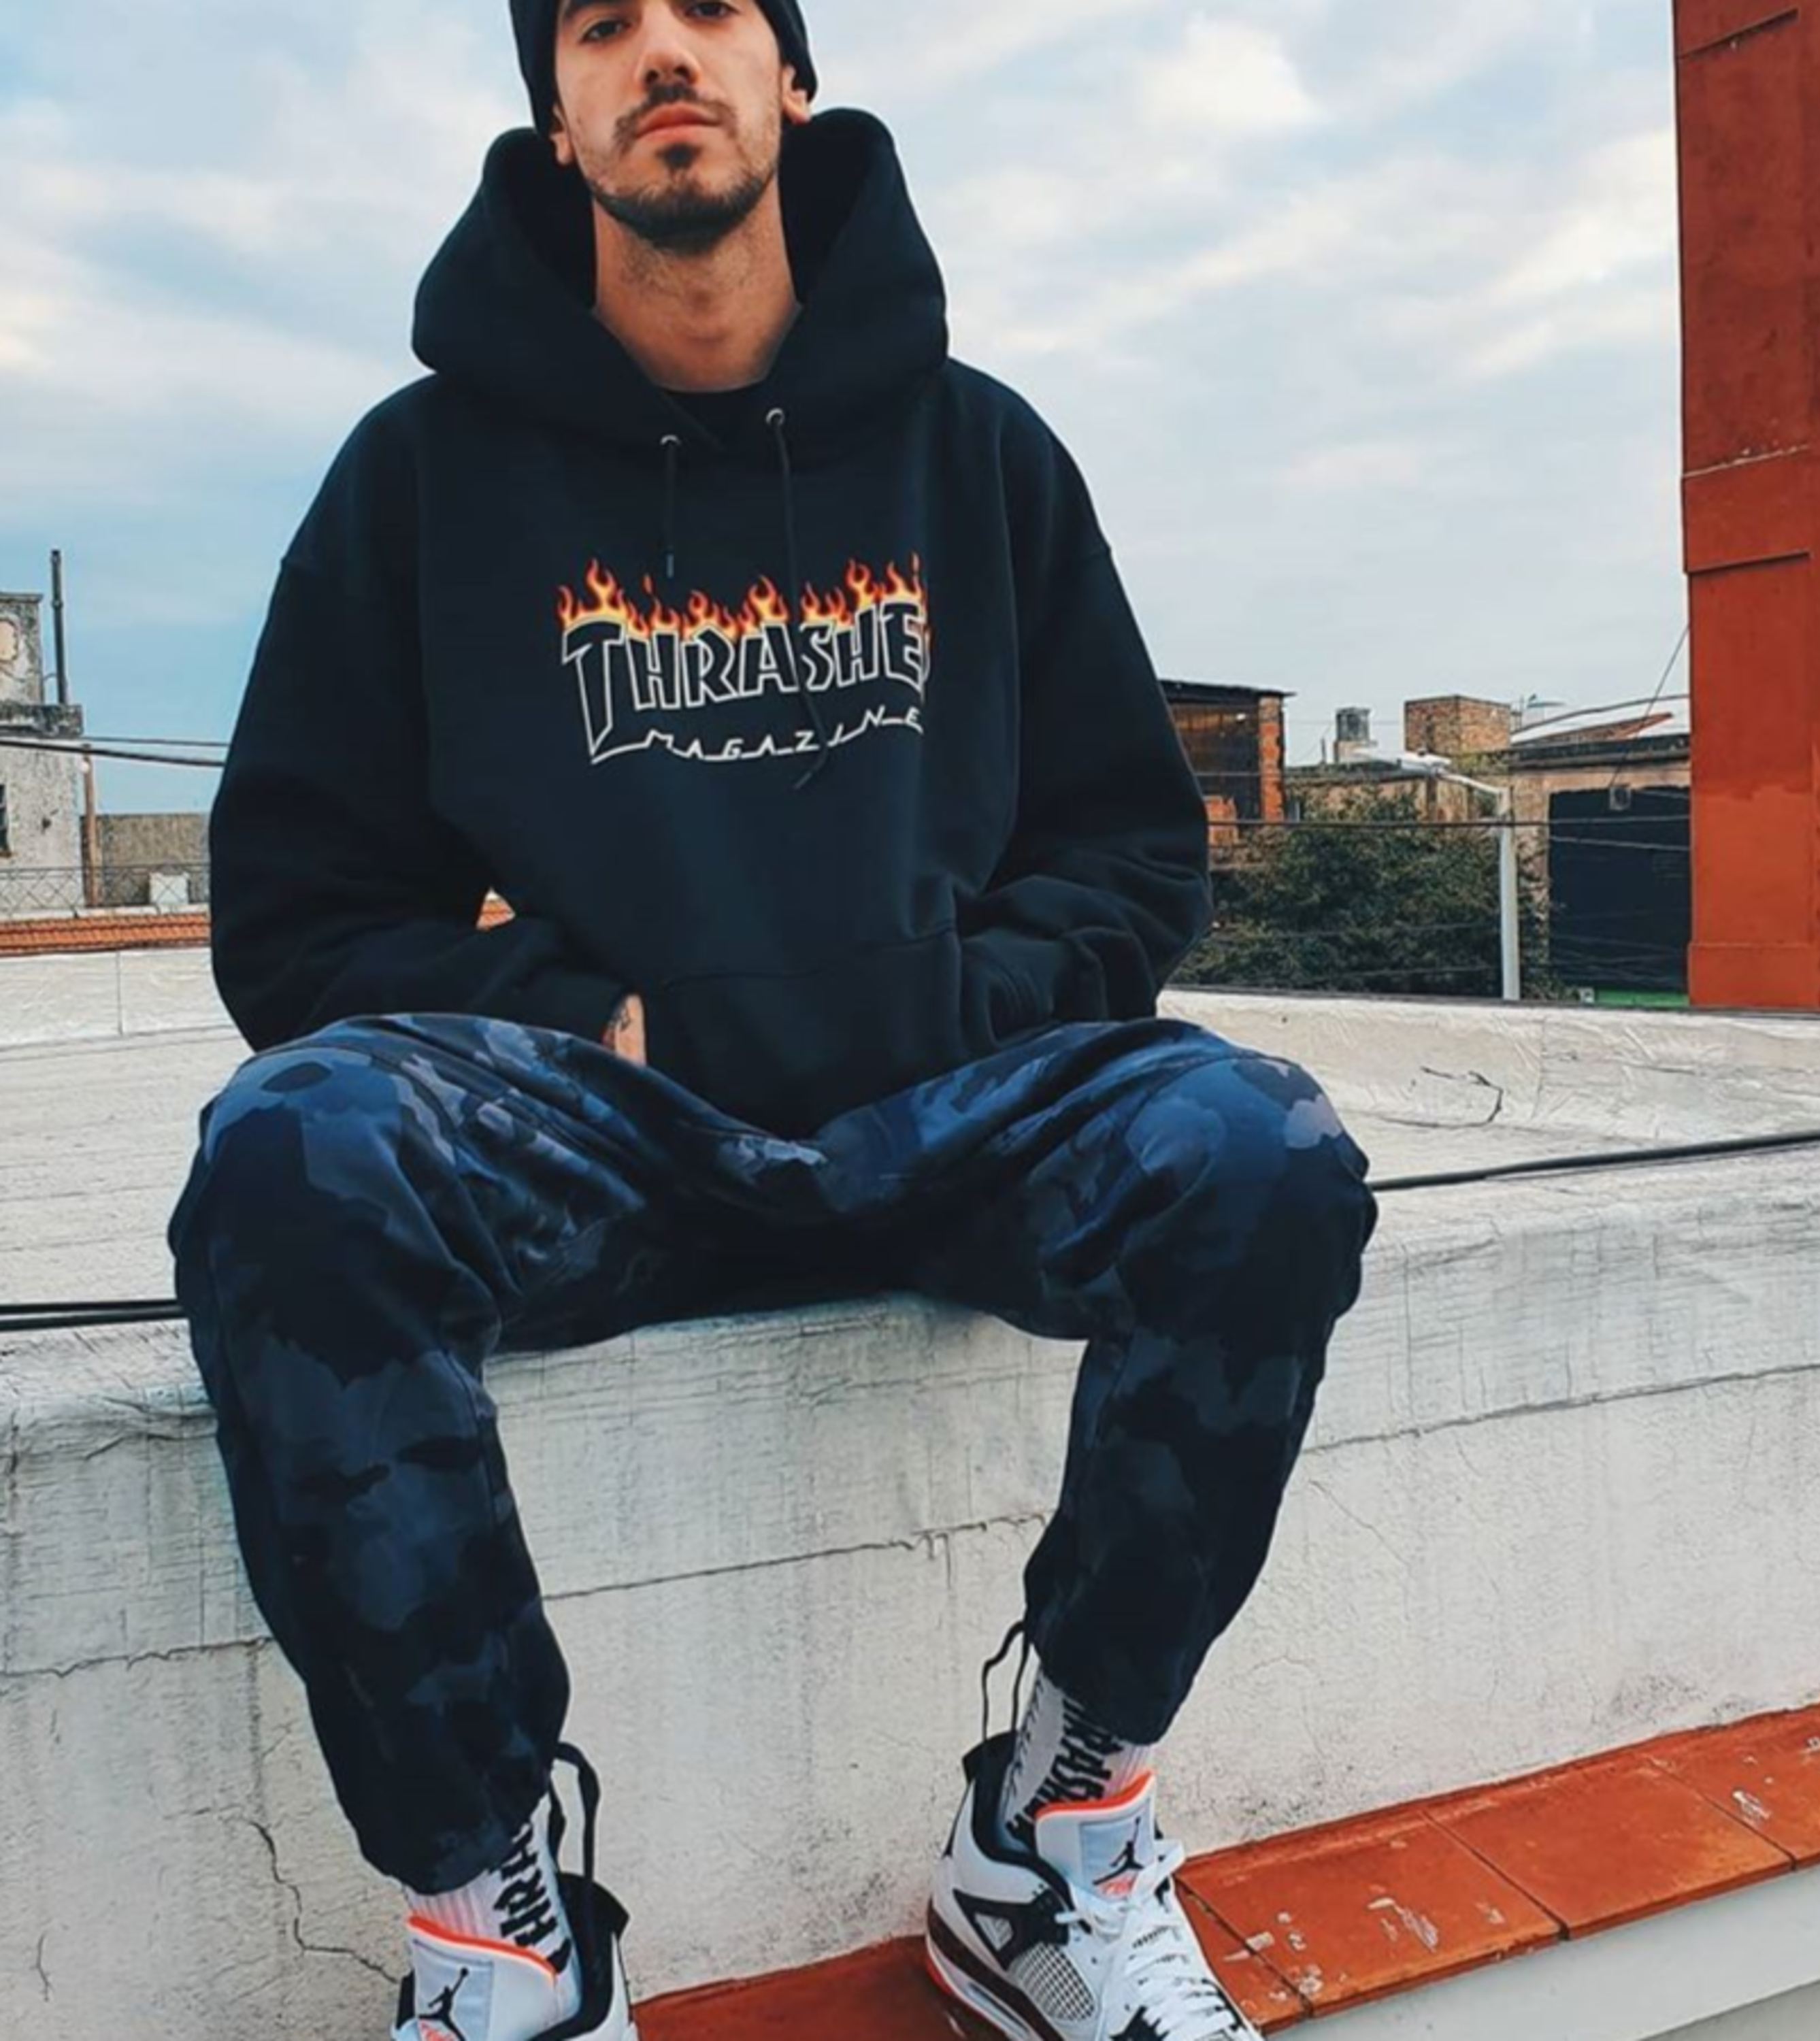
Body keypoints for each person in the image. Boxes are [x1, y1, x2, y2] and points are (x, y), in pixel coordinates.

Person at [165, 3, 1379, 2038]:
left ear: (789, 77)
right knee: (294, 1153)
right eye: (601, 23)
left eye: (713, 7)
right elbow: (299, 925)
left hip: (953, 1118)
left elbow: (1129, 855)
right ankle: (501, 1938)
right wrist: (604, 1024)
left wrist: (938, 1010)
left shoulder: (979, 451)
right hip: (613, 1144)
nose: (663, 50)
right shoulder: (423, 477)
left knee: (1262, 1150)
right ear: (556, 113)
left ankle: (1052, 1838)